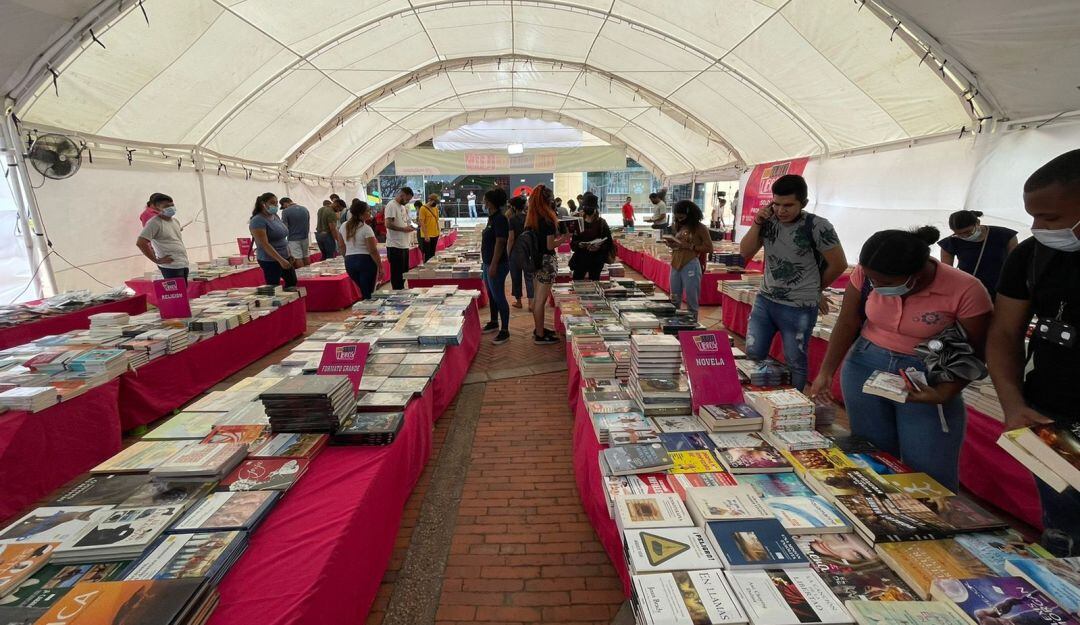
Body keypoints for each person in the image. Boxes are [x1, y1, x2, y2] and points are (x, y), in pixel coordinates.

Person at [809, 227, 991, 491]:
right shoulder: (866, 274)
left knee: (929, 469)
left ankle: (933, 524)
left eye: (885, 283)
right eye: (872, 281)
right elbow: (848, 321)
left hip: (925, 376)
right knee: (872, 456)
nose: (877, 287)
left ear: (915, 275)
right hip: (865, 364)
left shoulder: (965, 290)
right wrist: (826, 372)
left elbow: (976, 350)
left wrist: (944, 393)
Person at [987, 149, 1080, 556]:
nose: (1037, 227)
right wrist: (1012, 403)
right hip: (1052, 420)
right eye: (1033, 216)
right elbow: (1004, 331)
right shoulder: (1031, 255)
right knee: (1064, 532)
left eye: (1051, 219)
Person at [740, 174, 847, 391]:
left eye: (788, 205)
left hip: (799, 307)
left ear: (804, 203)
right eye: (776, 204)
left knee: (795, 361)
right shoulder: (767, 222)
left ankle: (794, 404)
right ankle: (752, 399)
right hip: (765, 300)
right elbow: (745, 252)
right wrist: (757, 223)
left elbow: (838, 264)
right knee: (752, 353)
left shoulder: (818, 226)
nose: (781, 211)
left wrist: (814, 290)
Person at [938, 210, 1018, 299]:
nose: (964, 236)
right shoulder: (950, 242)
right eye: (959, 234)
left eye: (968, 232)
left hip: (1003, 288)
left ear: (978, 223)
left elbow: (1016, 264)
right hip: (972, 290)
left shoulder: (1005, 235)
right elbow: (948, 273)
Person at [526, 184, 570, 344]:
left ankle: (539, 329)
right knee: (541, 301)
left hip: (535, 260)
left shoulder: (532, 217)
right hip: (546, 262)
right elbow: (550, 245)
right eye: (551, 198)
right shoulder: (547, 219)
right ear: (548, 200)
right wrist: (564, 239)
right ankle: (539, 334)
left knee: (537, 298)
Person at [664, 200, 714, 320]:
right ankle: (673, 323)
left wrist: (691, 246)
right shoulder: (677, 226)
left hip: (690, 264)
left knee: (692, 298)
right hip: (675, 263)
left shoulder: (700, 228)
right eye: (677, 217)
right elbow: (680, 244)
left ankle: (693, 324)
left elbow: (709, 247)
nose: (679, 219)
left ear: (689, 214)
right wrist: (672, 244)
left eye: (682, 217)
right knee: (674, 297)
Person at [481, 188, 512, 345]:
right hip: (487, 263)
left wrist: (493, 265)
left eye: (485, 199)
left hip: (497, 265)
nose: (483, 201)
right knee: (492, 295)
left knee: (499, 296)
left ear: (491, 202)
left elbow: (501, 242)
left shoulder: (500, 219)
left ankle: (505, 330)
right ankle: (494, 321)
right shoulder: (491, 218)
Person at [336, 200, 382, 299]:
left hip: (350, 261)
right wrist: (380, 266)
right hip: (365, 261)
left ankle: (365, 309)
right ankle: (368, 311)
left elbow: (341, 246)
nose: (370, 213)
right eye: (368, 211)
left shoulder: (343, 226)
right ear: (361, 214)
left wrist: (347, 257)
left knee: (364, 289)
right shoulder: (366, 229)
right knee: (368, 292)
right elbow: (372, 250)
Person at [249, 192, 296, 288]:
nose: (275, 205)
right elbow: (264, 244)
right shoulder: (257, 220)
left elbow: (283, 237)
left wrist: (289, 254)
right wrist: (280, 260)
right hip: (270, 259)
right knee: (274, 286)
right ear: (263, 204)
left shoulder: (275, 216)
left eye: (276, 203)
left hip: (285, 255)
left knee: (292, 281)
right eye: (272, 203)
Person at [136, 194, 188, 280]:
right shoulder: (154, 223)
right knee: (175, 292)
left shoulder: (175, 221)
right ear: (157, 208)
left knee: (183, 291)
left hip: (183, 263)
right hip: (170, 266)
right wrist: (156, 260)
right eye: (166, 206)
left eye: (172, 205)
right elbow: (141, 243)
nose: (171, 208)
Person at [569, 192, 613, 281]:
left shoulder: (601, 223)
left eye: (591, 208)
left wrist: (598, 247)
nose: (588, 209)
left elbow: (609, 243)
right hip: (580, 260)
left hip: (596, 260)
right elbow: (573, 243)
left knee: (594, 283)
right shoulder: (578, 222)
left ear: (595, 209)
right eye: (586, 207)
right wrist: (579, 244)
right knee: (577, 283)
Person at [384, 187, 415, 290]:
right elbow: (388, 224)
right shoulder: (391, 205)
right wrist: (403, 229)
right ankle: (397, 293)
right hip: (395, 245)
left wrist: (410, 227)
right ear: (402, 195)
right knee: (397, 274)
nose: (407, 202)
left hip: (403, 244)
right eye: (407, 199)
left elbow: (404, 221)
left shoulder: (402, 207)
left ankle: (400, 291)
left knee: (404, 272)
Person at [506, 195, 534, 309]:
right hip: (528, 250)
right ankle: (531, 303)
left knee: (516, 277)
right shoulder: (530, 218)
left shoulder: (512, 219)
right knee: (529, 277)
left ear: (514, 207)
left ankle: (519, 301)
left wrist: (508, 252)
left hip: (516, 252)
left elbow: (511, 238)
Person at [278, 197, 311, 267]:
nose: (283, 208)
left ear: (285, 204)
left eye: (283, 206)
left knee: (297, 258)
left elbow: (284, 227)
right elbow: (308, 224)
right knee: (306, 256)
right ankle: (309, 273)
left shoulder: (286, 211)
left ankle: (303, 275)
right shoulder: (304, 209)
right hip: (305, 237)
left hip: (293, 239)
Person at [418, 194, 441, 262]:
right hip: (427, 235)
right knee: (427, 254)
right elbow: (422, 222)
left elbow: (436, 220)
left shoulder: (436, 208)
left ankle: (431, 269)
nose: (435, 204)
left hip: (435, 234)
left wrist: (438, 232)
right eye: (435, 202)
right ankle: (427, 270)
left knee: (432, 254)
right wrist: (426, 235)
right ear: (430, 200)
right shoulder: (423, 209)